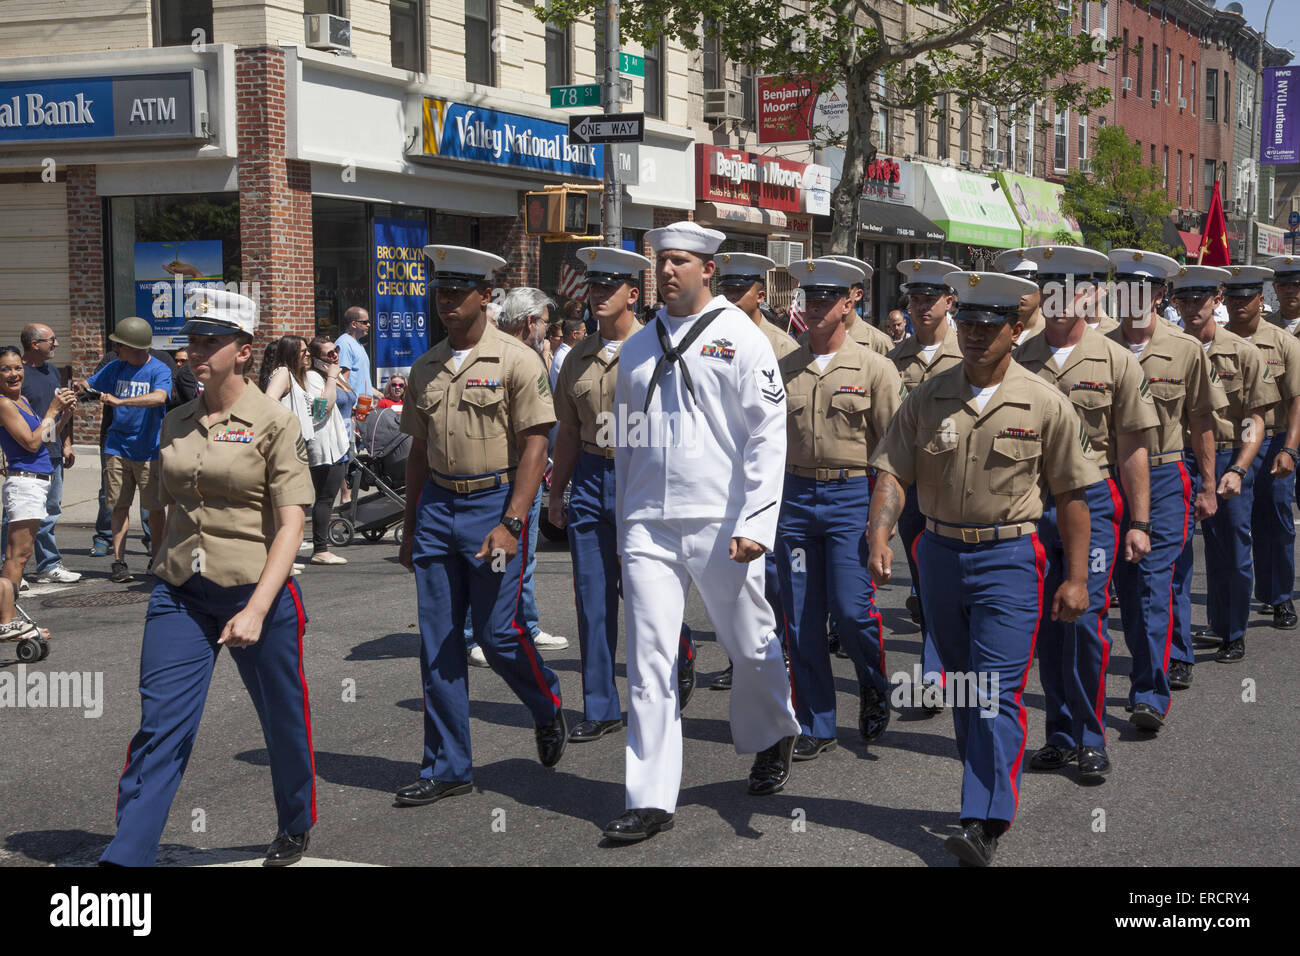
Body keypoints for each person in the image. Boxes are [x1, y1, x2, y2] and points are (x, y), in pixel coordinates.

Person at [867, 270, 1096, 866]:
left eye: (987, 325)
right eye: (965, 321)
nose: (971, 334)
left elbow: (1073, 496)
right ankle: (984, 794)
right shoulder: (929, 395)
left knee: (995, 692)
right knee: (969, 691)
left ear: (1016, 330)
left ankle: (982, 817)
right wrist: (881, 531)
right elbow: (892, 467)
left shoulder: (1044, 402)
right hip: (939, 557)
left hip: (1008, 559)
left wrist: (1076, 579)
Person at [100, 288, 317, 867]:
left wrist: (256, 609)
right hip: (182, 596)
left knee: (283, 720)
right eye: (192, 340)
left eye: (209, 341)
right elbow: (164, 506)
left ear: (243, 351)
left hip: (257, 594)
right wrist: (160, 561)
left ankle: (295, 820)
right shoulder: (176, 421)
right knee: (161, 725)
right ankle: (127, 857)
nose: (195, 351)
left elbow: (292, 523)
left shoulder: (275, 423)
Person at [603, 220, 799, 843]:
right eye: (660, 261)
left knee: (749, 642)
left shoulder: (742, 339)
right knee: (649, 658)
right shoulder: (636, 346)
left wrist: (757, 523)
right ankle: (650, 797)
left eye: (679, 262)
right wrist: (624, 520)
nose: (666, 271)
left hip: (722, 520)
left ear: (708, 269)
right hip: (648, 525)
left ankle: (774, 734)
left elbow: (769, 435)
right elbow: (627, 441)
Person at [393, 245, 567, 808]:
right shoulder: (426, 366)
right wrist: (411, 520)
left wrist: (514, 522)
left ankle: (547, 705)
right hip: (440, 508)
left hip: (494, 507)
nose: (446, 301)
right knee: (439, 641)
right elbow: (418, 449)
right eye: (440, 290)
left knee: (496, 635)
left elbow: (536, 443)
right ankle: (447, 766)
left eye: (457, 291)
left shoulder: (517, 360)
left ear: (484, 296)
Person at [1015, 246, 1158, 784]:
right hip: (1030, 504)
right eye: (1047, 286)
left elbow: (1132, 448)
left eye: (1070, 287)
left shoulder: (1116, 359)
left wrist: (1140, 523)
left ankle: (1091, 737)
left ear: (1090, 294)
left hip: (1093, 503)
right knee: (1047, 627)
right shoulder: (1020, 356)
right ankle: (1058, 733)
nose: (1057, 299)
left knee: (1086, 623)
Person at [548, 246, 697, 742]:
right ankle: (600, 706)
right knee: (593, 599)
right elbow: (568, 430)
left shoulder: (660, 348)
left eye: (609, 288)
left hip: (644, 474)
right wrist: (557, 493)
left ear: (634, 294)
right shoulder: (576, 358)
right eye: (593, 287)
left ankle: (677, 655)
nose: (598, 296)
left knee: (645, 594)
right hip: (592, 473)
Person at [777, 258, 903, 761]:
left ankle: (872, 681)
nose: (815, 307)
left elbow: (893, 459)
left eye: (826, 298)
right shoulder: (784, 366)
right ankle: (816, 721)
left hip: (852, 495)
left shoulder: (875, 368)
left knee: (851, 612)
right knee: (802, 617)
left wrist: (881, 530)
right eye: (808, 297)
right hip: (795, 498)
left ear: (849, 302)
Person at [1105, 250, 1224, 725]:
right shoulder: (1097, 348)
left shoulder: (1185, 349)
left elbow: (1201, 421)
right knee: (1126, 590)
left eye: (1142, 287)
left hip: (1165, 475)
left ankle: (1149, 693)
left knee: (1153, 584)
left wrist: (1209, 485)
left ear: (1159, 294)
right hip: (1108, 478)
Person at [1171, 266, 1276, 664]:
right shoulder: (1166, 349)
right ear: (1175, 302)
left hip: (1230, 454)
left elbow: (1255, 419)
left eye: (1201, 299)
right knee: (1175, 555)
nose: (1192, 307)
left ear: (1216, 300)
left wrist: (1239, 469)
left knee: (1231, 548)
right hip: (1178, 457)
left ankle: (1231, 629)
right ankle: (1177, 647)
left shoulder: (1243, 352)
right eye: (1185, 300)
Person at [714, 252, 796, 691]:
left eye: (739, 288)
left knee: (773, 574)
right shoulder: (711, 338)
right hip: (726, 473)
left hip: (768, 473)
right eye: (725, 287)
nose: (730, 295)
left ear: (760, 294)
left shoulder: (782, 347)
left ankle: (778, 649)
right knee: (733, 578)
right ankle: (741, 657)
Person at [474, 287, 568, 659]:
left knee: (525, 559)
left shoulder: (532, 359)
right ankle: (479, 633)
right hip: (502, 478)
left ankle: (524, 624)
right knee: (494, 561)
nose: (546, 330)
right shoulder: (494, 357)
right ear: (530, 322)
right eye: (545, 322)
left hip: (530, 475)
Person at [888, 260, 963, 709]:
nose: (919, 307)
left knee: (960, 589)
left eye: (928, 298)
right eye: (914, 298)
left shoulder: (971, 350)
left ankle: (952, 666)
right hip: (916, 487)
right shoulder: (895, 359)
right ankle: (935, 673)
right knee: (928, 583)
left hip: (961, 487)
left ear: (949, 302)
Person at [1221, 266, 1300, 630]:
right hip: (1230, 445)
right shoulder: (1215, 341)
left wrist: (1289, 449)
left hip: (1271, 442)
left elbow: (1296, 400)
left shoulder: (1283, 342)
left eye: (1247, 296)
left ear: (1260, 298)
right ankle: (1233, 610)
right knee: (1236, 526)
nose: (1239, 303)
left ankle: (1279, 596)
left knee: (1277, 520)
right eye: (1233, 296)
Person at [75, 316, 172, 584]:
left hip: (149, 450)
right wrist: (80, 388)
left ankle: (156, 559)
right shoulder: (116, 367)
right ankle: (119, 562)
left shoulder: (159, 370)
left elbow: (160, 397)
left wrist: (121, 401)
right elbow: (90, 384)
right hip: (117, 447)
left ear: (137, 347)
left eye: (120, 345)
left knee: (153, 508)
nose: (116, 350)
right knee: (118, 505)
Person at [0, 347, 75, 634]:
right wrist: (53, 409)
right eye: (6, 369)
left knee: (19, 554)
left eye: (17, 368)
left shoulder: (23, 401)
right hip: (24, 482)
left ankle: (8, 616)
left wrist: (62, 417)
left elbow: (44, 438)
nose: (14, 374)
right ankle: (6, 620)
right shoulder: (5, 404)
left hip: (36, 482)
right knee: (17, 556)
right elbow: (30, 444)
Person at [263, 336, 350, 566]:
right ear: (292, 353)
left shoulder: (298, 378)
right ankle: (297, 554)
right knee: (293, 503)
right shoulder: (285, 373)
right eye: (304, 352)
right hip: (293, 446)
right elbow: (269, 401)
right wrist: (331, 378)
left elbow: (319, 408)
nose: (308, 356)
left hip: (302, 444)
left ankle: (285, 557)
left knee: (296, 503)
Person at [16, 324, 80, 584]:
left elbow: (58, 412)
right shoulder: (17, 375)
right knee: (17, 514)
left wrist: (66, 442)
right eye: (51, 340)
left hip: (51, 452)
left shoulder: (52, 371)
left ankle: (48, 565)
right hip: (24, 452)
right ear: (34, 344)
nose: (56, 344)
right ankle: (9, 569)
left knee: (50, 511)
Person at [994, 248, 1044, 344]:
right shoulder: (994, 331)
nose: (1021, 292)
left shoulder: (1052, 333)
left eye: (1029, 284)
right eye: (1013, 284)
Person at [549, 317, 587, 393]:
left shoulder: (570, 353)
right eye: (584, 332)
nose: (586, 335)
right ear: (574, 334)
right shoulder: (564, 357)